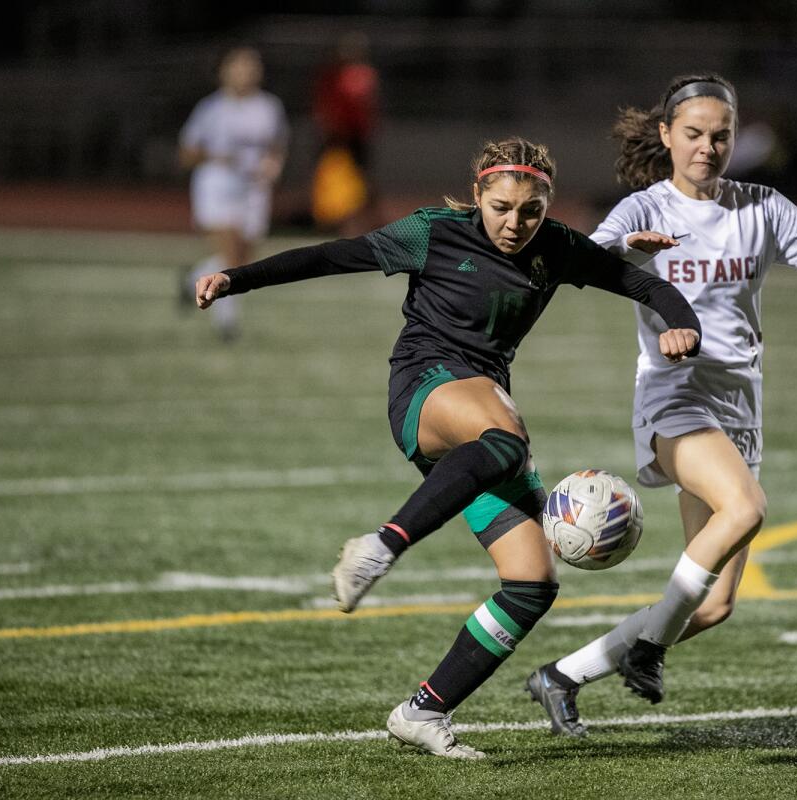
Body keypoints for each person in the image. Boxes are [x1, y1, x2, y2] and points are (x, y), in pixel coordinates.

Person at [194, 137, 702, 758]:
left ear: (546, 207)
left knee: (531, 583)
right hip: (424, 387)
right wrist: (235, 278)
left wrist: (685, 324)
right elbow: (333, 255)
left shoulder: (556, 249)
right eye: (501, 207)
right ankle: (378, 548)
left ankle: (424, 711)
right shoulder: (433, 232)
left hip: (480, 423)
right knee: (507, 439)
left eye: (530, 211)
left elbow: (644, 287)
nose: (514, 223)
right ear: (477, 196)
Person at [525, 73, 797, 736]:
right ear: (666, 135)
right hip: (673, 396)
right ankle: (649, 651)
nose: (708, 147)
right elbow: (580, 258)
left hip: (740, 412)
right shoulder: (644, 209)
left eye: (720, 135)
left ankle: (561, 676)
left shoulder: (760, 207)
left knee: (713, 605)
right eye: (693, 134)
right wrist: (628, 254)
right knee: (746, 508)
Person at [179, 46, 289, 341]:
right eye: (239, 66)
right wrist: (216, 158)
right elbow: (186, 153)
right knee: (229, 253)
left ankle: (192, 279)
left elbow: (277, 145)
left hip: (254, 189)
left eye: (251, 66)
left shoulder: (269, 107)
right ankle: (226, 324)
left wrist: (273, 165)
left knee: (245, 258)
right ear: (225, 71)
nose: (245, 72)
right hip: (217, 186)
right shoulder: (211, 108)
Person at [310, 31, 381, 236]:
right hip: (335, 138)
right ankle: (332, 222)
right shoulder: (331, 75)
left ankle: (359, 224)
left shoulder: (365, 75)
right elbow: (324, 107)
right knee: (332, 181)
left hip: (356, 138)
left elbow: (368, 109)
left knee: (360, 183)